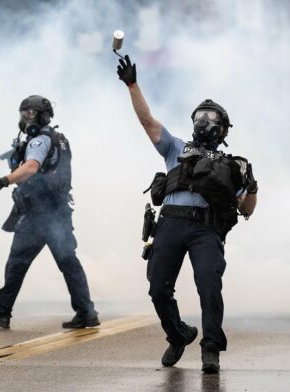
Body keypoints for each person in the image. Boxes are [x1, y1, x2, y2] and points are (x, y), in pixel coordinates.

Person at [116, 56, 258, 373]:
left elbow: (245, 209)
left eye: (210, 118)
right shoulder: (175, 148)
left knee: (209, 286)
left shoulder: (231, 166)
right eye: (199, 116)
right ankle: (178, 334)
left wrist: (252, 185)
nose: (203, 121)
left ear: (222, 128)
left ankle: (211, 350)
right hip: (170, 223)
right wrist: (132, 85)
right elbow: (148, 121)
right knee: (158, 288)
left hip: (205, 231)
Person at [0, 95, 99, 329]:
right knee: (63, 262)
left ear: (43, 116)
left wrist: (4, 180)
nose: (25, 118)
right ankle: (85, 312)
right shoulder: (58, 138)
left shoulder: (39, 141)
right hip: (55, 212)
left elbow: (31, 167)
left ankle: (1, 311)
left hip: (40, 214)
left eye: (30, 113)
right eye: (23, 113)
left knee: (20, 262)